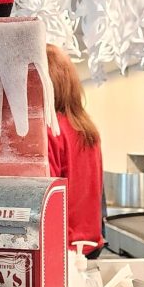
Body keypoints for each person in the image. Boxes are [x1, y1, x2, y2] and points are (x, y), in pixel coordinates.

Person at [45, 43, 106, 258]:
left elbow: (47, 201)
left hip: (65, 249)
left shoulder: (51, 130)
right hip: (91, 244)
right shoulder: (87, 129)